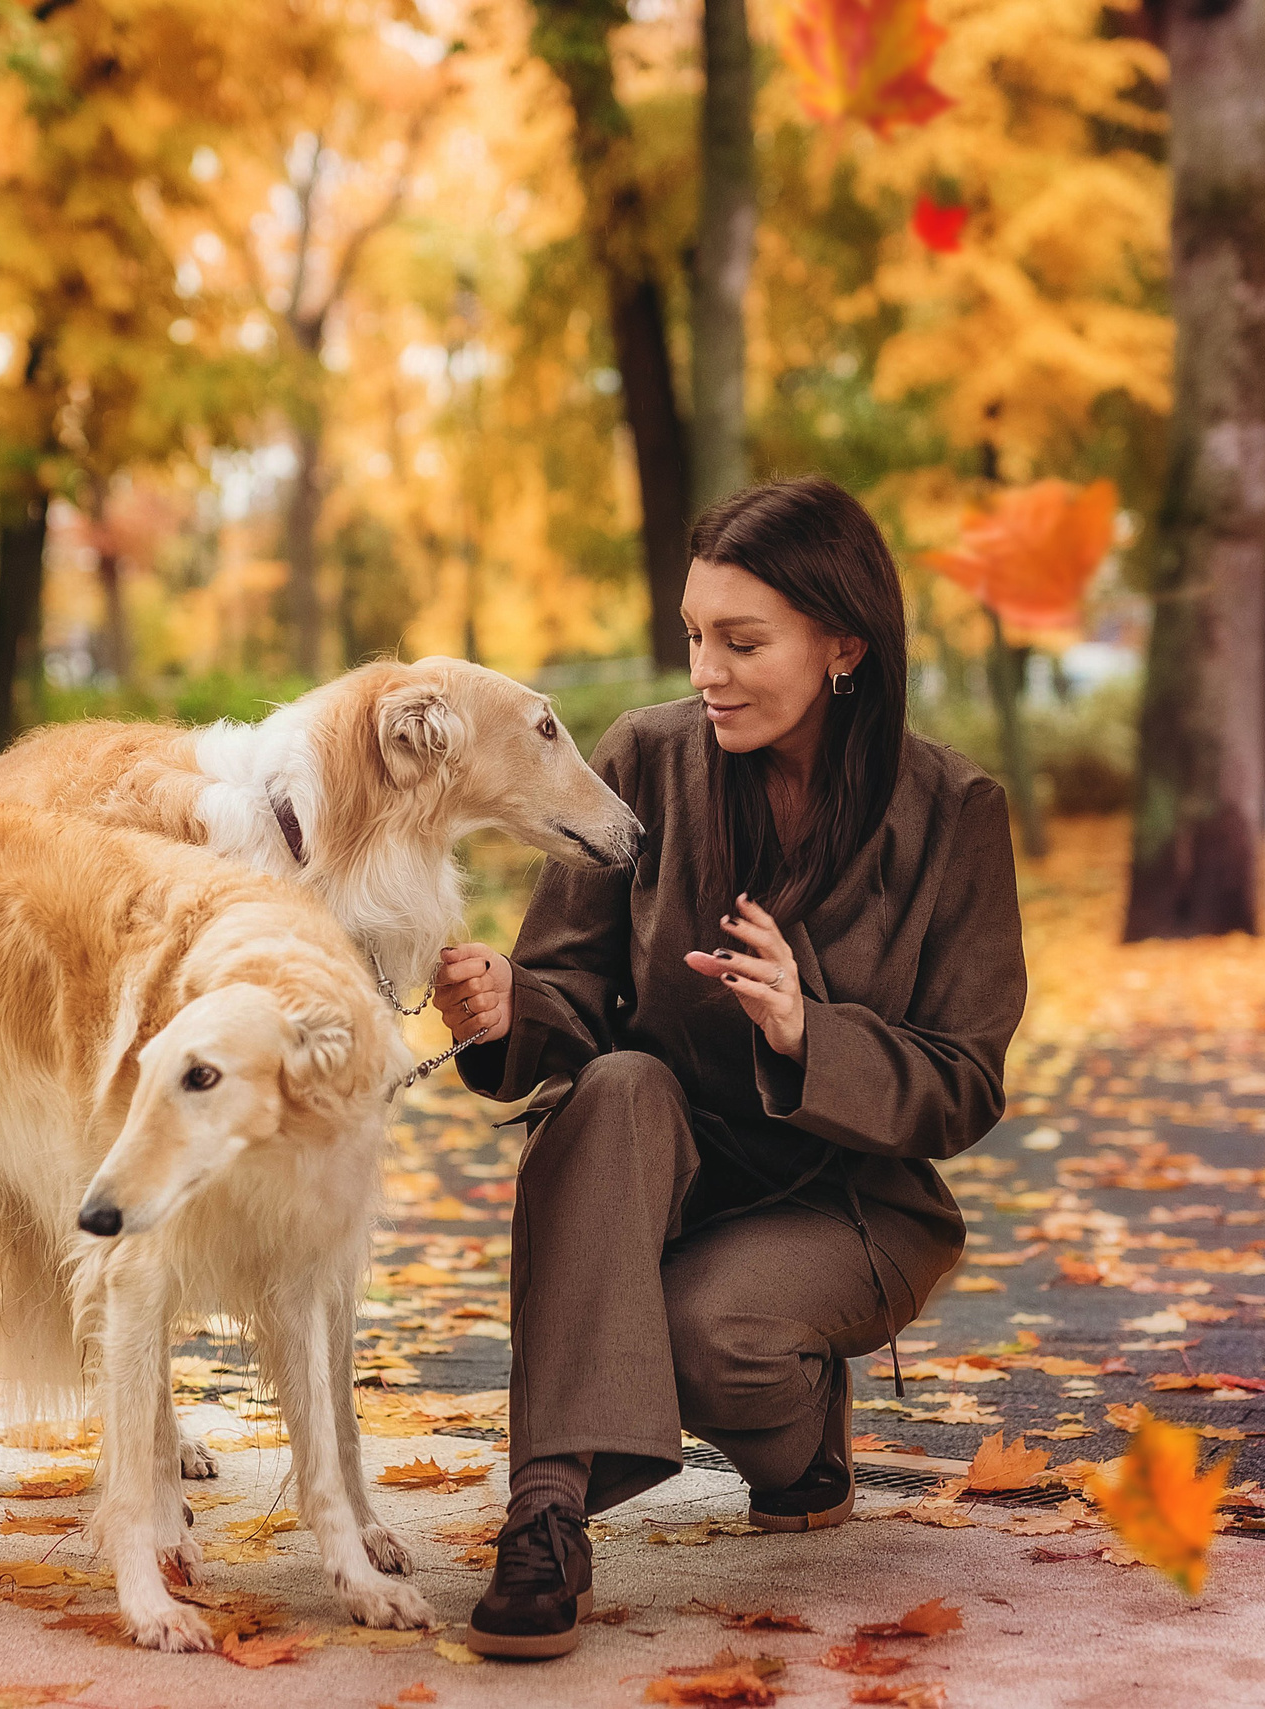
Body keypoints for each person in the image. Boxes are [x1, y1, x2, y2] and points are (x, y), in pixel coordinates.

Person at [432, 476, 1027, 1659]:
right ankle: (544, 1515)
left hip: (850, 1198)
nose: (707, 668)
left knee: (703, 1335)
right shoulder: (646, 758)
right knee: (612, 1083)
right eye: (696, 634)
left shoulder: (953, 809)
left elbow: (965, 1079)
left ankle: (805, 1438)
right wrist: (506, 1005)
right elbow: (572, 992)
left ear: (842, 642)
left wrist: (814, 1032)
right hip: (659, 1159)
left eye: (742, 641)